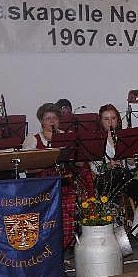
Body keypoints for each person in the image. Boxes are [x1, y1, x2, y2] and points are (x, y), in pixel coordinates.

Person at [22, 103, 93, 249]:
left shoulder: (67, 136)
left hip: (65, 180)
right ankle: (54, 241)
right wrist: (50, 160)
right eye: (48, 118)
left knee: (77, 195)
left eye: (55, 118)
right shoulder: (33, 139)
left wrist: (75, 154)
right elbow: (28, 168)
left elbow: (79, 163)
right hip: (44, 184)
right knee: (60, 200)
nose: (52, 121)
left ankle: (75, 239)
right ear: (41, 121)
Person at [92, 104, 138, 236]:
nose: (110, 122)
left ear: (118, 120)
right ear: (100, 121)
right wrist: (109, 165)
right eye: (106, 119)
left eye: (113, 118)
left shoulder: (124, 137)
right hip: (105, 179)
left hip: (124, 177)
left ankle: (133, 233)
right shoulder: (96, 140)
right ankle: (112, 231)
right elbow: (95, 168)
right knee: (107, 202)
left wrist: (130, 160)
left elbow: (130, 167)